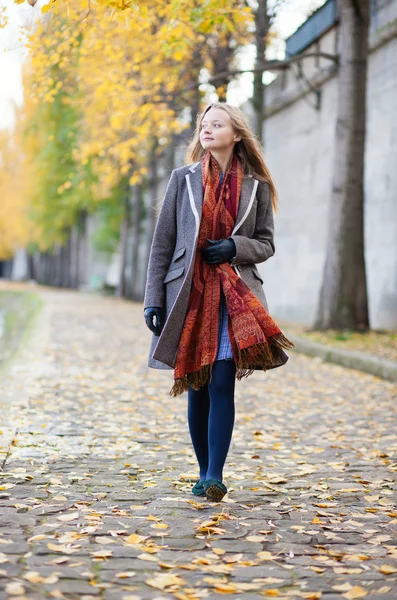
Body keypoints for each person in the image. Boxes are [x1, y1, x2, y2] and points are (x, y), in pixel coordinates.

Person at [144, 102, 294, 502]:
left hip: (234, 295)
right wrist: (152, 300)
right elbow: (163, 244)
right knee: (198, 385)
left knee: (223, 380)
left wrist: (233, 246)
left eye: (217, 124)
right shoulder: (184, 179)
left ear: (236, 134)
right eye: (204, 125)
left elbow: (265, 244)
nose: (207, 130)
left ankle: (214, 475)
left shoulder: (257, 186)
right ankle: (201, 469)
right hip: (188, 295)